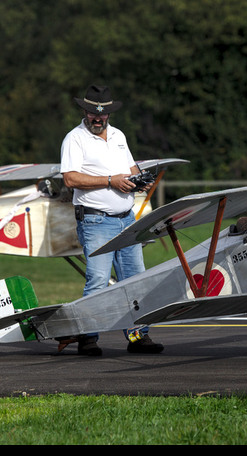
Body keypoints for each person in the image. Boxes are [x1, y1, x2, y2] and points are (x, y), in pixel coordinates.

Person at [60, 85, 164, 356]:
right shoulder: (75, 139)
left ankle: (138, 336)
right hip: (95, 221)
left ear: (109, 114)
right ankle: (88, 338)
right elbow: (70, 179)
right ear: (84, 111)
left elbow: (130, 169)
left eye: (103, 114)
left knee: (135, 278)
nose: (98, 118)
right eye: (94, 113)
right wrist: (110, 181)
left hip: (126, 218)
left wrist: (138, 180)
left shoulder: (118, 135)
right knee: (97, 279)